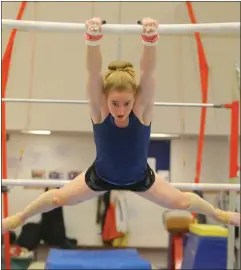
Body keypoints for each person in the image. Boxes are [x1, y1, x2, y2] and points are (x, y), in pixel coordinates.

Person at [2, 17, 240, 233]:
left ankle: (218, 214)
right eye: (114, 103)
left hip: (140, 177)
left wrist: (150, 40)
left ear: (135, 100)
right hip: (100, 176)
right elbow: (93, 72)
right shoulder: (99, 111)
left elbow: (148, 73)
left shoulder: (142, 111)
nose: (121, 110)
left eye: (127, 103)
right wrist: (93, 40)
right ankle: (19, 218)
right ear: (104, 100)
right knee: (55, 199)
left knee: (183, 202)